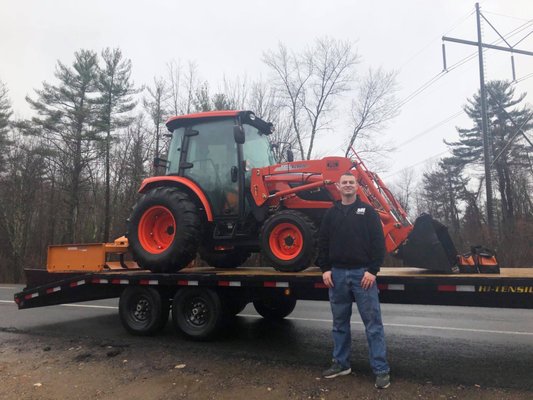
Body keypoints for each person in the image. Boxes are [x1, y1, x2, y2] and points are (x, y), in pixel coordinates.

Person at [316, 171, 391, 389]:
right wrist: (325, 269)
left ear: (356, 186)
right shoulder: (331, 213)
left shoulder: (367, 211)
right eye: (344, 183)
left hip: (363, 275)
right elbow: (323, 242)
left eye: (351, 182)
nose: (348, 185)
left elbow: (378, 242)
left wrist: (373, 271)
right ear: (338, 187)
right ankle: (341, 364)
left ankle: (381, 370)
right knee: (339, 324)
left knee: (373, 325)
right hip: (337, 275)